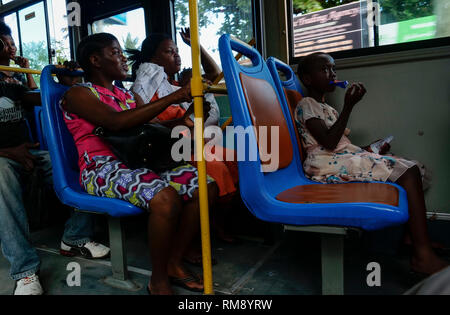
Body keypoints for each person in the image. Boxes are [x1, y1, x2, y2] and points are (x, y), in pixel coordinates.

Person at [61, 33, 218, 294]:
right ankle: (157, 281)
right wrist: (175, 96)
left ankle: (174, 262)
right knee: (166, 199)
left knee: (205, 186)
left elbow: (153, 128)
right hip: (101, 168)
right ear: (95, 60)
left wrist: (188, 118)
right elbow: (116, 123)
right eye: (116, 52)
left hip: (136, 161)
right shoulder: (79, 93)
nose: (123, 58)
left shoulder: (126, 95)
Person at [294, 52, 448, 276]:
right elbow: (328, 142)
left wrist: (370, 148)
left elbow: (340, 144)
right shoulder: (306, 104)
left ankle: (413, 236)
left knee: (409, 164)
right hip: (324, 164)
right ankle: (422, 256)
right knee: (408, 172)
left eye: (333, 69)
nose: (332, 74)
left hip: (338, 158)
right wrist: (349, 106)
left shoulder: (329, 109)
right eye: (324, 69)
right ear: (307, 79)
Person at [128, 30, 240, 250]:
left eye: (178, 51)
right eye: (170, 52)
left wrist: (195, 44)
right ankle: (192, 238)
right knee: (217, 169)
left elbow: (214, 73)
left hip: (192, 143)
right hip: (170, 148)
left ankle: (215, 221)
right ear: (153, 59)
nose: (177, 56)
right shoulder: (149, 79)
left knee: (238, 159)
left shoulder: (177, 86)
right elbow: (147, 120)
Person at [0, 79, 110, 295]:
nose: (8, 45)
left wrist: (66, 86)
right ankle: (25, 272)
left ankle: (74, 237)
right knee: (1, 176)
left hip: (29, 152)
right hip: (3, 157)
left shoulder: (10, 84)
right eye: (6, 42)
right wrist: (9, 152)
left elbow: (39, 97)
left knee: (70, 163)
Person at [0, 22, 37, 89]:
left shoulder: (17, 74)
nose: (11, 48)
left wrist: (27, 70)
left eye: (13, 44)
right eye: (6, 45)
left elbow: (33, 93)